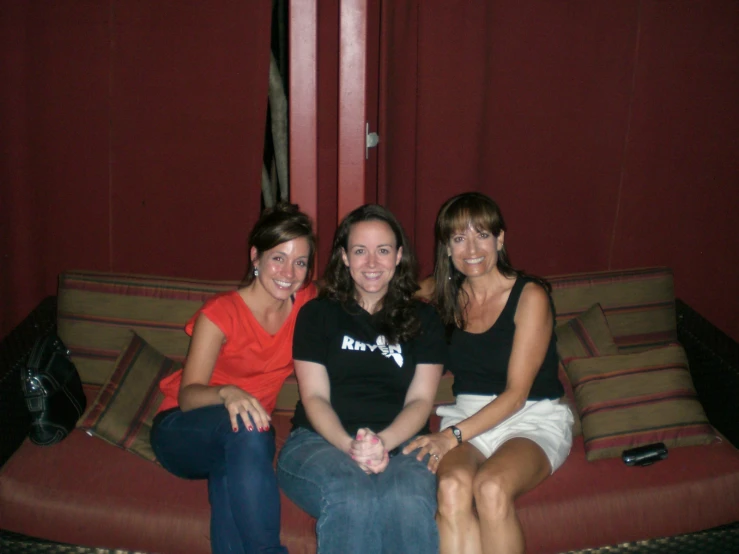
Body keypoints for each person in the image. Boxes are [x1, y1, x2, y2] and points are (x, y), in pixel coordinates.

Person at [404, 192, 574, 554]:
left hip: (532, 416)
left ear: (500, 239)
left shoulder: (530, 296)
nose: (471, 248)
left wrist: (450, 437)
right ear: (447, 248)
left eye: (482, 234)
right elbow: (381, 286)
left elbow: (515, 396)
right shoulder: (442, 292)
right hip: (469, 413)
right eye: (459, 238)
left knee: (491, 488)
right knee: (451, 488)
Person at [276, 204, 445, 554]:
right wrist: (351, 447)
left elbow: (420, 401)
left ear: (399, 256)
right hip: (318, 442)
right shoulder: (317, 315)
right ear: (344, 257)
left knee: (406, 500)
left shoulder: (425, 319)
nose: (371, 263)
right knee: (351, 494)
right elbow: (315, 398)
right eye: (359, 251)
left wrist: (381, 443)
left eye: (383, 251)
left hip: (404, 447)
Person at [149, 203, 317, 554]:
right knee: (250, 429)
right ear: (255, 257)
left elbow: (365, 285)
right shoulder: (220, 313)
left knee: (236, 466)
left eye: (300, 262)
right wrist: (228, 393)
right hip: (183, 431)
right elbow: (188, 396)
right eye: (278, 258)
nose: (289, 272)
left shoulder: (306, 302)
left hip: (244, 442)